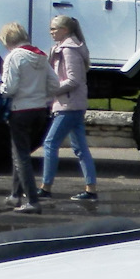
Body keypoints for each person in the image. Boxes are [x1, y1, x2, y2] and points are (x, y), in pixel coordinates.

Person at [0, 22, 56, 213]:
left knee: (20, 156)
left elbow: (10, 88)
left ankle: (32, 200)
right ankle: (15, 195)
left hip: (20, 110)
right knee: (22, 154)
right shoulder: (41, 56)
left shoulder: (13, 57)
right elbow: (55, 84)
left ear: (8, 40)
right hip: (40, 110)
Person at [40, 14, 97, 202]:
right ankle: (90, 190)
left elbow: (73, 80)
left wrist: (52, 89)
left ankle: (46, 188)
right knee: (80, 148)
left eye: (54, 29)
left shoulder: (69, 50)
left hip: (69, 105)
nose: (51, 32)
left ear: (65, 30)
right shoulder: (67, 47)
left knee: (50, 143)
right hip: (72, 104)